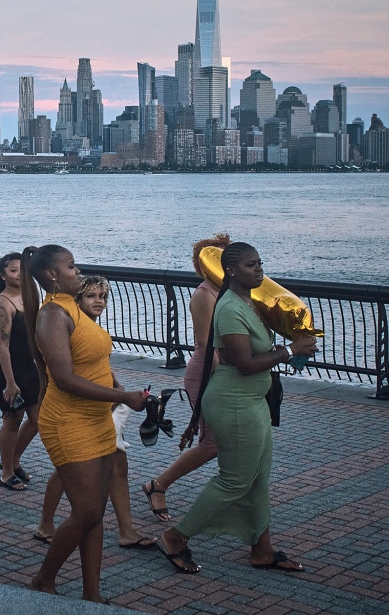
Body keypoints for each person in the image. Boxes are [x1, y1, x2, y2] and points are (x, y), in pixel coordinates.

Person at [158, 242, 316, 575]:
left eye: (259, 263)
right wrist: (289, 350)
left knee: (257, 480)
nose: (258, 269)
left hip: (253, 403)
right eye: (249, 265)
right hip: (233, 403)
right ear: (230, 271)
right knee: (234, 481)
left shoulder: (252, 303)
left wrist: (297, 340)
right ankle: (175, 537)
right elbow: (244, 363)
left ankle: (262, 550)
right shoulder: (229, 308)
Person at [20, 245, 147, 603]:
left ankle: (92, 594)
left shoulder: (74, 307)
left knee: (93, 513)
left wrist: (116, 386)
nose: (78, 272)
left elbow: (91, 362)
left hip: (96, 418)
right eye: (72, 267)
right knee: (87, 511)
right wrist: (123, 399)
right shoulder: (52, 315)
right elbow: (63, 378)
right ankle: (44, 579)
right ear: (51, 275)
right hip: (68, 422)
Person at [34, 276, 156, 550]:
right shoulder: (65, 324)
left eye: (102, 296)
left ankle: (126, 529)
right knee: (69, 473)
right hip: (79, 415)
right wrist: (120, 394)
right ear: (77, 300)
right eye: (91, 296)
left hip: (101, 411)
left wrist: (115, 384)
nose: (99, 301)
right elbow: (68, 373)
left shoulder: (90, 327)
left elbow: (95, 363)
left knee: (115, 465)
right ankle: (46, 524)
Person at [143, 234, 231, 521]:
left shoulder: (231, 292)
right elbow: (207, 346)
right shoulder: (204, 295)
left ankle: (233, 497)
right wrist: (223, 382)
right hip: (208, 374)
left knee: (230, 442)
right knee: (211, 443)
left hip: (228, 374)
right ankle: (158, 485)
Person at [0, 252, 40, 491]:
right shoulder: (3, 303)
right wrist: (10, 382)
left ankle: (13, 459)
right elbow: (2, 346)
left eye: (22, 270)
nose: (19, 275)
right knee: (13, 419)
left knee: (38, 419)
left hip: (27, 365)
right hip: (6, 367)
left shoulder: (28, 296)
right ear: (3, 275)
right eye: (13, 271)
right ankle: (6, 472)